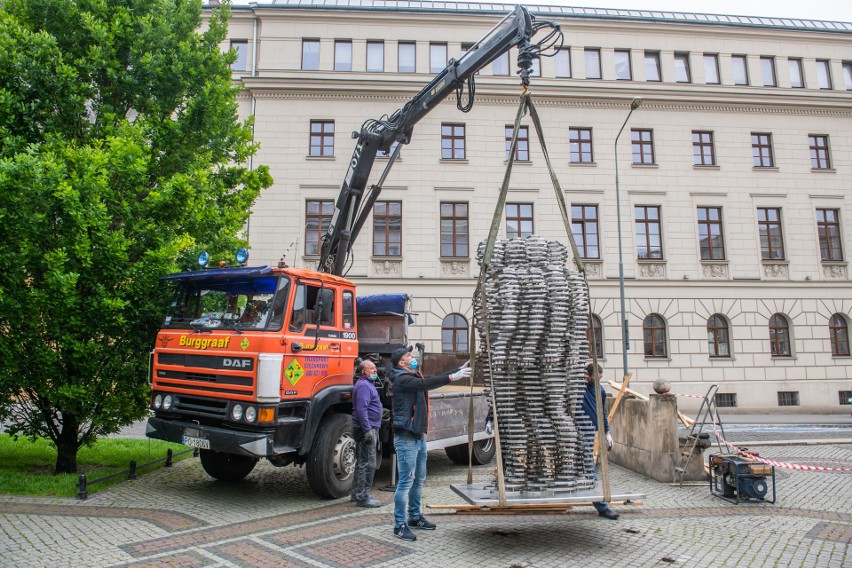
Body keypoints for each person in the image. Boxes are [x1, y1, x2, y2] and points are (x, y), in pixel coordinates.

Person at [389, 346, 471, 541]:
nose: (412, 356)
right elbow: (427, 384)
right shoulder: (402, 379)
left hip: (417, 435)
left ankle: (415, 516)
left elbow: (427, 380)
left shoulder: (413, 375)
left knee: (419, 479)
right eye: (409, 355)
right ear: (402, 362)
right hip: (407, 437)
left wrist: (456, 370)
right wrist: (453, 378)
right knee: (406, 482)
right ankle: (399, 524)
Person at [582, 362, 619, 520]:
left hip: (590, 432)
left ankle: (602, 506)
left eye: (601, 378)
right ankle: (602, 507)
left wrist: (607, 432)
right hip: (577, 433)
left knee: (588, 469)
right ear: (588, 376)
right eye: (596, 378)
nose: (598, 381)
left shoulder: (601, 391)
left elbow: (602, 412)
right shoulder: (579, 389)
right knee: (589, 470)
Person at [351, 359, 383, 507]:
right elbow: (361, 409)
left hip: (366, 426)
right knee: (368, 463)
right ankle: (363, 497)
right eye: (371, 369)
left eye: (375, 368)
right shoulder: (364, 386)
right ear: (363, 371)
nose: (375, 371)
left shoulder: (366, 384)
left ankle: (356, 494)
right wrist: (367, 430)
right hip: (367, 428)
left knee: (361, 461)